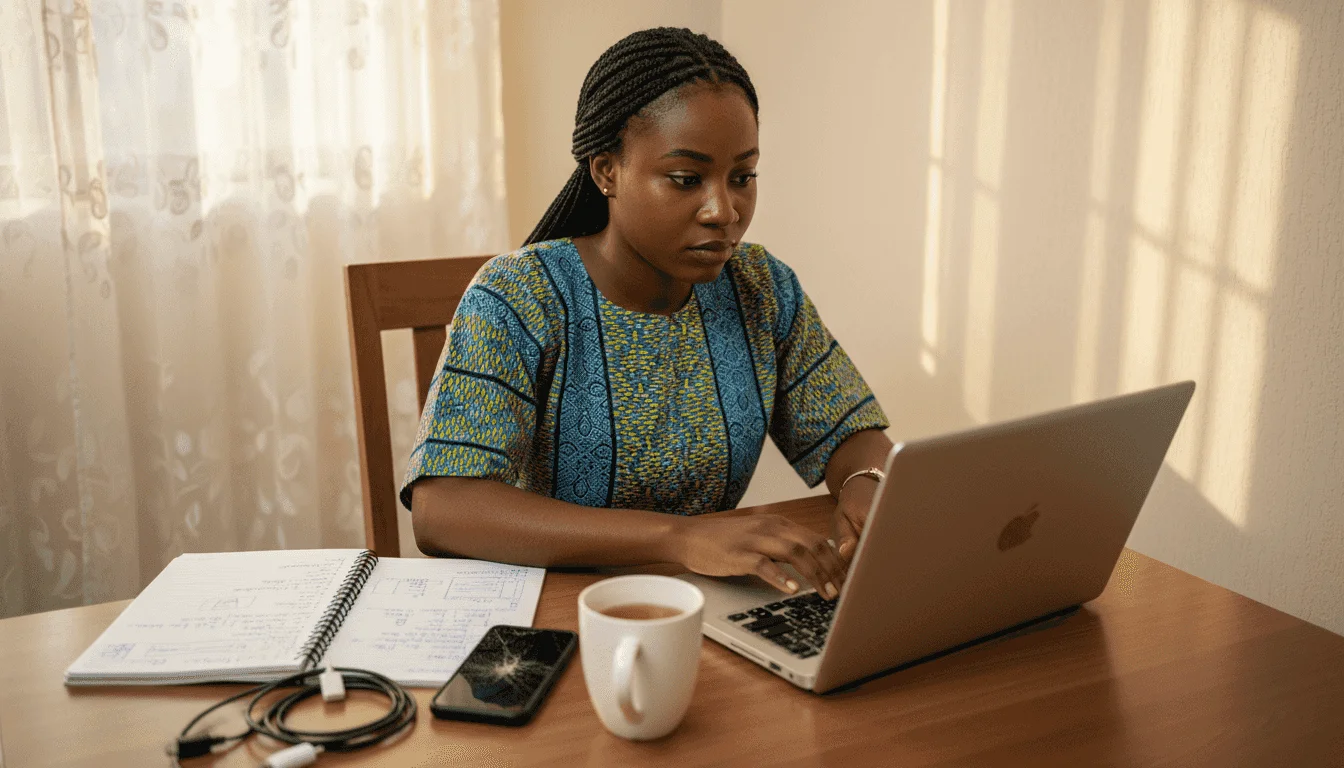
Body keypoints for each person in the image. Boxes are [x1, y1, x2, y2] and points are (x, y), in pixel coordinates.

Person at [401, 27, 893, 599]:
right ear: (607, 170)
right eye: (686, 179)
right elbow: (443, 510)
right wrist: (678, 539)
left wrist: (868, 484)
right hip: (554, 614)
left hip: (712, 603)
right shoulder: (519, 297)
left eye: (743, 177)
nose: (724, 210)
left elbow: (852, 434)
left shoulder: (760, 287)